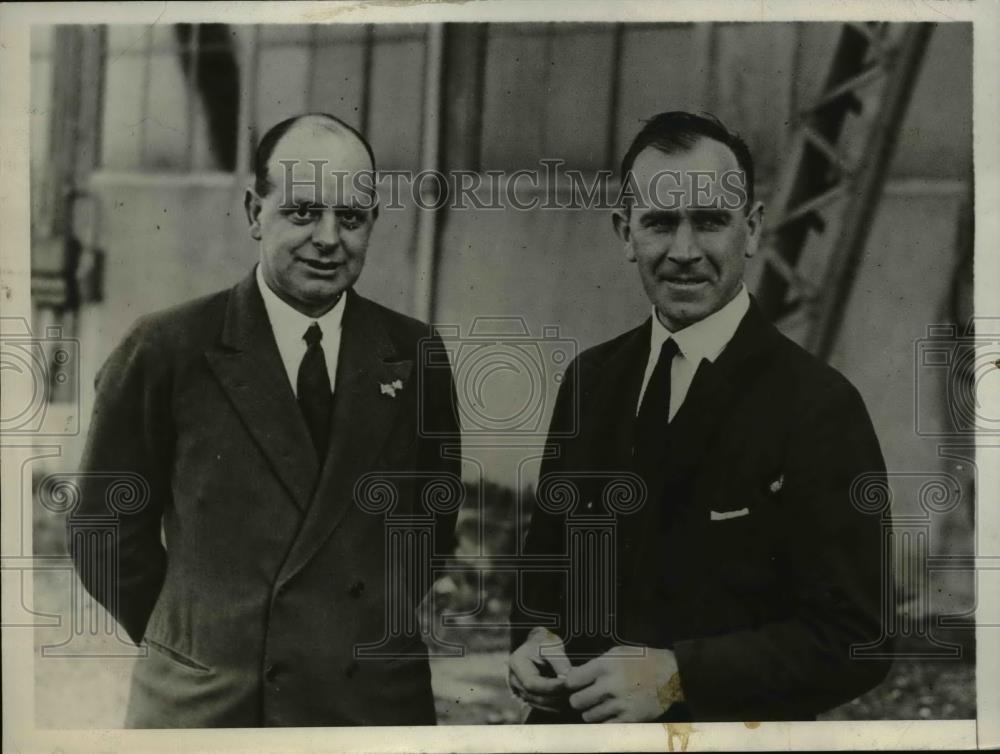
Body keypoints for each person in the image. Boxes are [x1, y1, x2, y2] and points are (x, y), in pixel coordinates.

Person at [70, 113, 460, 727]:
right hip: (213, 705)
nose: (329, 238)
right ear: (255, 212)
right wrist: (196, 641)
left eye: (351, 217)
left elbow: (430, 530)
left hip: (366, 705)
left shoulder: (415, 354)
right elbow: (103, 531)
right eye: (303, 213)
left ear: (372, 223)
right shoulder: (168, 348)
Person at [508, 111, 891, 723]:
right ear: (625, 232)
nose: (684, 252)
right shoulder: (590, 380)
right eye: (660, 223)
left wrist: (677, 676)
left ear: (753, 229)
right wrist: (533, 641)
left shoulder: (818, 406)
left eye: (710, 221)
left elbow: (856, 639)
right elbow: (543, 575)